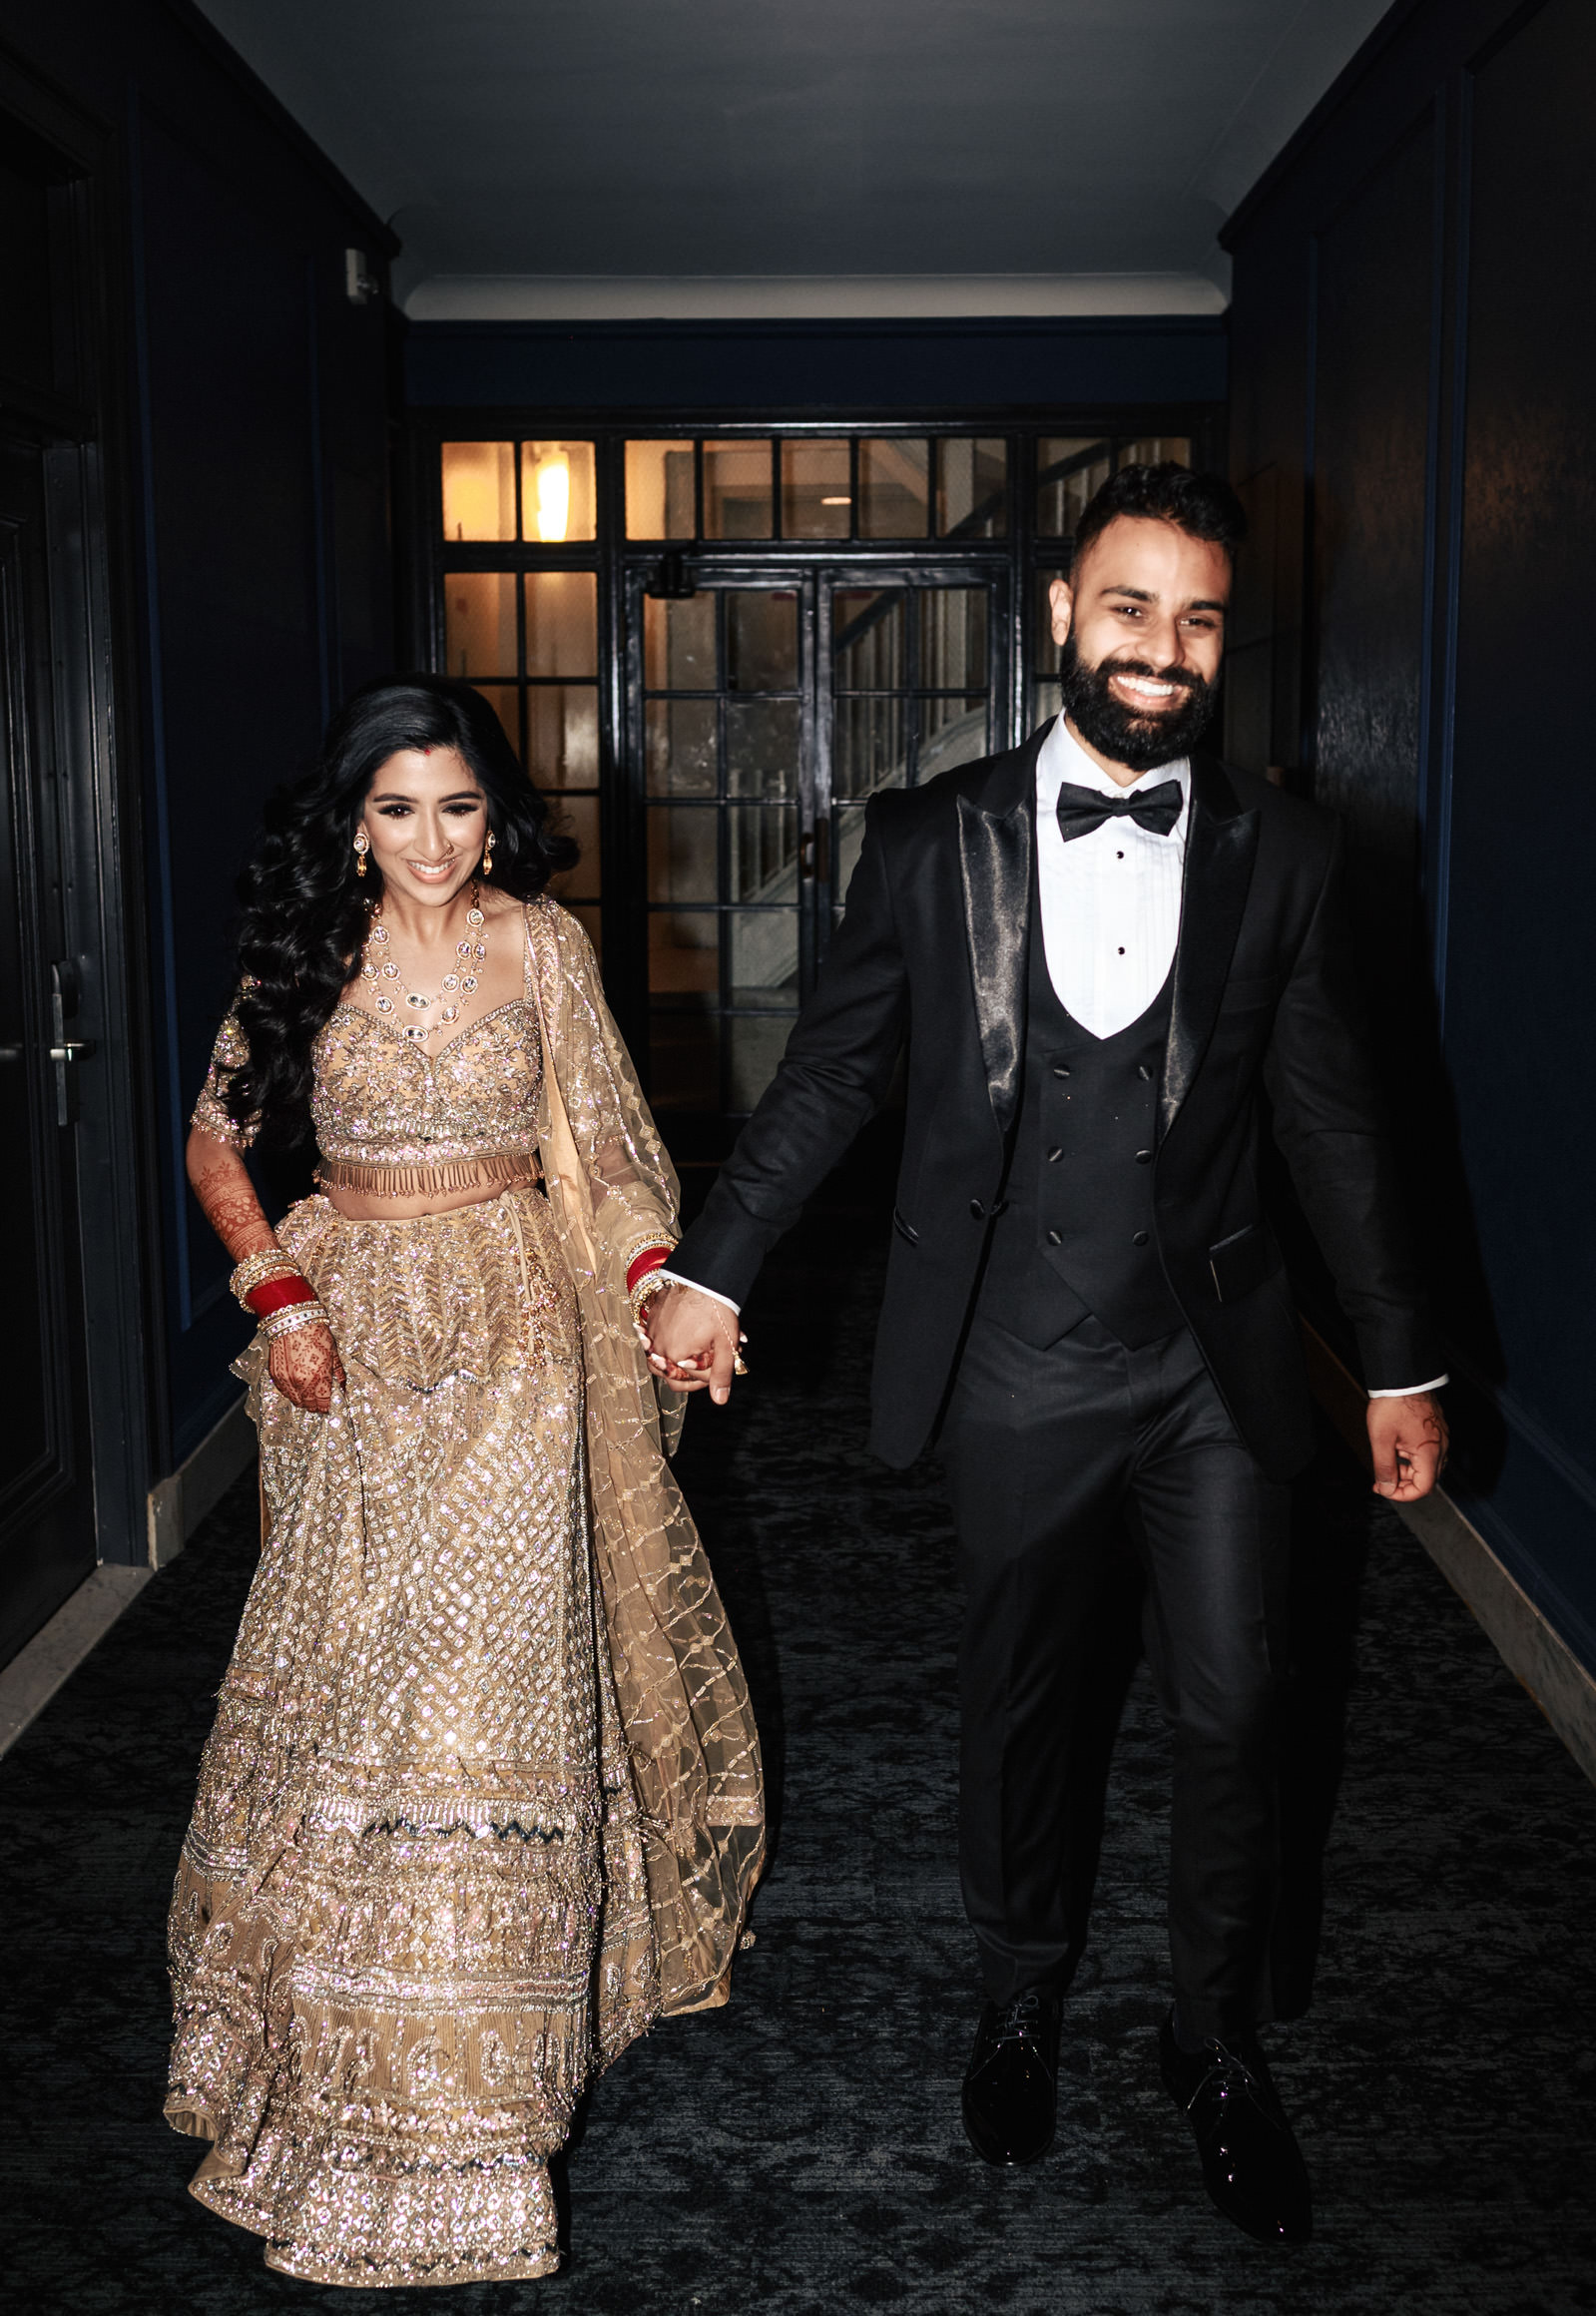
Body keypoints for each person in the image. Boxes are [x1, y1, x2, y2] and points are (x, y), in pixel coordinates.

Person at [643, 464, 1446, 2248]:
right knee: (1026, 1707)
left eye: (1202, 618)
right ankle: (1020, 1990)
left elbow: (1337, 1130)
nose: (1166, 650)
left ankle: (1216, 2043)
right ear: (1063, 621)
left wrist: (1399, 1362)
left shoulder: (1290, 855)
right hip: (1010, 1357)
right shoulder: (932, 842)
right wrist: (718, 1260)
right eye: (1134, 609)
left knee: (1239, 1706)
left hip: (1211, 1372)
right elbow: (839, 1073)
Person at [166, 676, 763, 2288]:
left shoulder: (544, 948)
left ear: (495, 813)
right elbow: (219, 1139)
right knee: (352, 1684)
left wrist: (656, 1286)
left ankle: (482, 2118)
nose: (432, 844)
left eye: (457, 808)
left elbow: (618, 1151)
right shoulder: (304, 952)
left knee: (483, 1692)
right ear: (352, 824)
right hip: (347, 1346)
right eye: (396, 810)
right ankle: (328, 2056)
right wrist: (273, 1294)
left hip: (517, 1340)